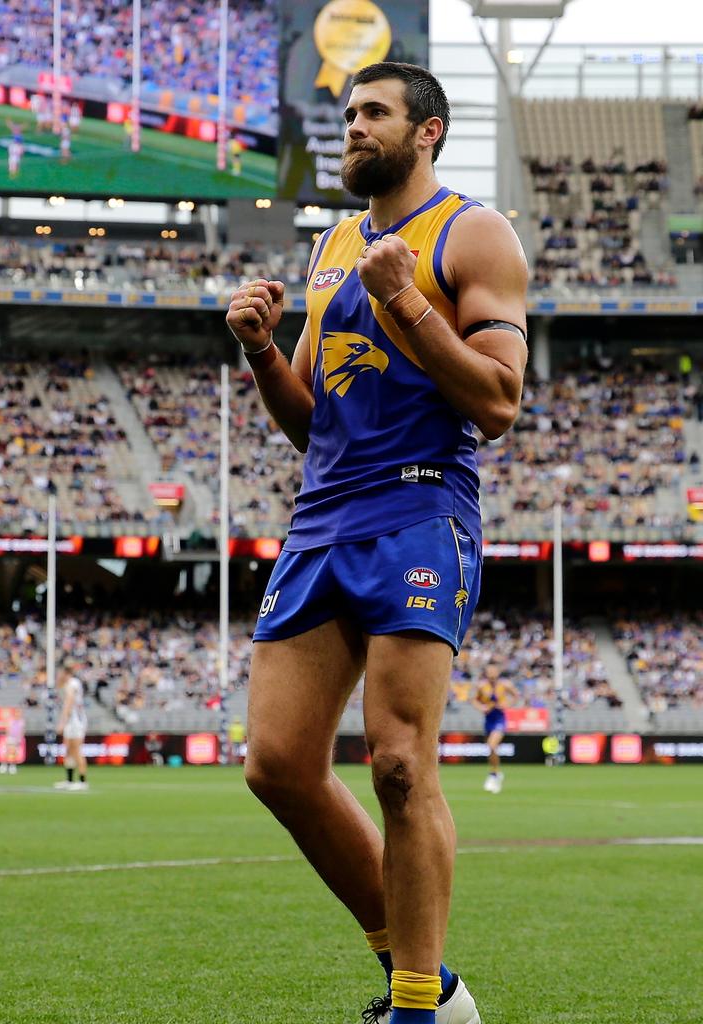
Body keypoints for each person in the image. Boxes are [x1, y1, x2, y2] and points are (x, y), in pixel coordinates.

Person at [225, 61, 527, 1024]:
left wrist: (406, 299)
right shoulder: (335, 244)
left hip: (419, 509)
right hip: (323, 518)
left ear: (427, 131)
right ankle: (423, 970)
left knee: (398, 764)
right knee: (275, 764)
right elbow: (312, 421)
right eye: (349, 113)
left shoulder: (475, 232)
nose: (353, 128)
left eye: (374, 114)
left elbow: (497, 403)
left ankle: (416, 1008)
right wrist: (265, 351)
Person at [471, 665, 519, 794]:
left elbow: (516, 695)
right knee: (490, 749)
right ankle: (495, 772)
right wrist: (481, 707)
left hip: (500, 718)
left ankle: (494, 774)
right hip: (488, 719)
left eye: (494, 674)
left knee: (492, 746)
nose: (492, 676)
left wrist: (508, 704)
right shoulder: (481, 687)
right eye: (489, 674)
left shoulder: (505, 685)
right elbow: (474, 700)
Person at [54, 665, 88, 791]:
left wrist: (62, 722)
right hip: (71, 721)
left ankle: (83, 781)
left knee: (76, 750)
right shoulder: (69, 683)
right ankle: (69, 780)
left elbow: (69, 702)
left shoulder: (72, 683)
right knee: (68, 750)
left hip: (76, 721)